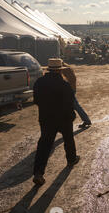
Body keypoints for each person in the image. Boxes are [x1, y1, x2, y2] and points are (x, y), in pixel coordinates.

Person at [32, 58, 80, 186]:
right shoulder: (64, 85)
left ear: (48, 69)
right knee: (68, 139)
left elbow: (36, 100)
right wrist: (71, 115)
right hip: (64, 117)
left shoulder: (39, 82)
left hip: (46, 118)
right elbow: (70, 102)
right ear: (60, 70)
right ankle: (71, 159)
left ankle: (38, 173)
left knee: (44, 145)